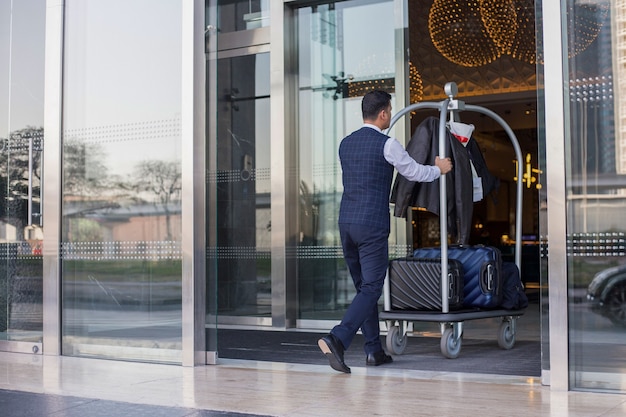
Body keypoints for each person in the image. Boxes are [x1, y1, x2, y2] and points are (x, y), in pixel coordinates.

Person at [318, 90, 453, 373]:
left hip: (347, 223)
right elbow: (414, 172)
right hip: (371, 226)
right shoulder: (387, 144)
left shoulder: (346, 144)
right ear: (383, 113)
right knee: (371, 287)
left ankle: (373, 351)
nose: (390, 115)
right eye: (389, 111)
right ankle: (338, 338)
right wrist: (438, 169)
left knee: (363, 289)